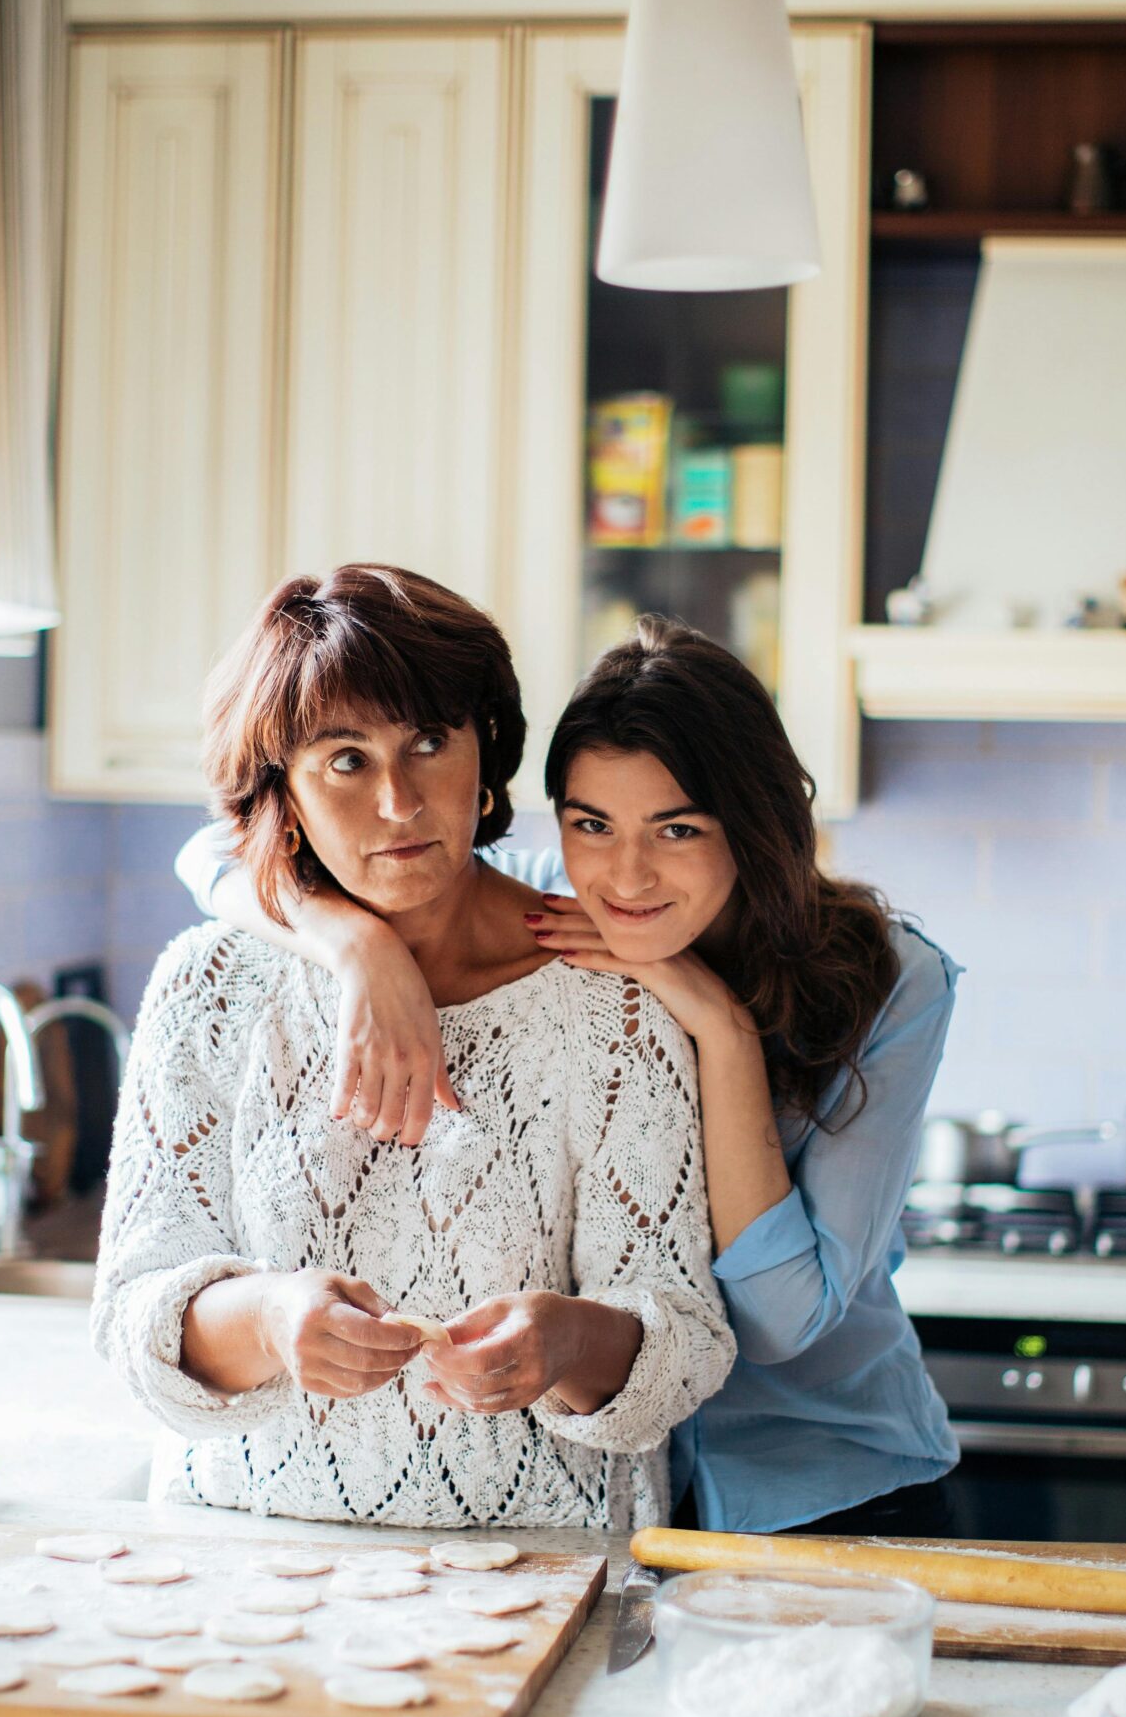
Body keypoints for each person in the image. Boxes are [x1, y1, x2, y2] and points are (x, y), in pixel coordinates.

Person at [182, 614, 960, 1539]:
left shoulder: (891, 976)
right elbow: (214, 857)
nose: (627, 875)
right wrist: (356, 946)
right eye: (592, 822)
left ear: (753, 827)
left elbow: (784, 1321)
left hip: (820, 1476)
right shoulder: (558, 897)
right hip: (622, 1489)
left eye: (678, 828)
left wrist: (717, 1023)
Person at [94, 567, 735, 1532]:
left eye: (429, 743)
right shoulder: (209, 988)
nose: (398, 801)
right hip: (239, 1565)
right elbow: (132, 1319)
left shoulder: (616, 999)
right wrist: (270, 1318)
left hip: (546, 1567)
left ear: (486, 757)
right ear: (286, 793)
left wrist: (569, 1343)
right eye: (344, 760)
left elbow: (684, 1341)